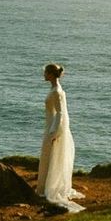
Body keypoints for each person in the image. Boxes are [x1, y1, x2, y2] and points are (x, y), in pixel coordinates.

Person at [36, 64, 85, 213]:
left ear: (51, 74)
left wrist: (54, 133)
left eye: (45, 72)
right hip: (50, 125)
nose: (43, 74)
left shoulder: (56, 91)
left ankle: (48, 188)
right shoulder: (57, 89)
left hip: (52, 128)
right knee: (49, 157)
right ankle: (44, 186)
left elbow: (60, 114)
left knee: (49, 156)